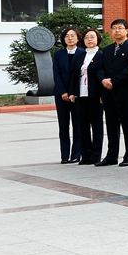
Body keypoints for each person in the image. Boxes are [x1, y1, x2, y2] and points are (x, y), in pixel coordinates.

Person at [95, 19, 128, 167]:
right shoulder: (107, 49)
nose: (117, 31)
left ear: (126, 30)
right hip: (108, 93)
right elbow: (100, 68)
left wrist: (113, 81)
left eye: (120, 28)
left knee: (127, 125)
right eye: (114, 28)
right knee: (111, 125)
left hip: (124, 93)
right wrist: (103, 80)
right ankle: (111, 156)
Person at [69, 28, 105, 165]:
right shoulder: (80, 56)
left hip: (95, 95)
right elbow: (74, 75)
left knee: (97, 126)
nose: (89, 40)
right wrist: (72, 92)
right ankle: (85, 155)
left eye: (92, 37)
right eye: (86, 37)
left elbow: (103, 75)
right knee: (82, 127)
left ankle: (95, 156)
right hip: (80, 95)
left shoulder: (101, 55)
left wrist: (103, 94)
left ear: (98, 39)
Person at [53, 28, 81, 164]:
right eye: (67, 36)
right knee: (63, 125)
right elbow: (56, 74)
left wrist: (73, 92)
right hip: (61, 94)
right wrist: (63, 92)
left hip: (76, 95)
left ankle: (76, 154)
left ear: (78, 38)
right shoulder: (58, 54)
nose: (70, 38)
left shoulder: (82, 53)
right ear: (63, 39)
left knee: (78, 125)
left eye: (73, 36)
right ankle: (64, 155)